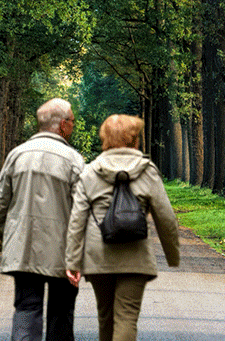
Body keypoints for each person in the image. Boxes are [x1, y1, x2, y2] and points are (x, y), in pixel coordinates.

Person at [63, 114, 180, 341]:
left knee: (105, 317)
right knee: (126, 317)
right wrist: (172, 255)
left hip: (99, 256)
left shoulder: (90, 171)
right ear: (135, 139)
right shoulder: (147, 170)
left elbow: (77, 219)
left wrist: (72, 261)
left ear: (104, 139)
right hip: (135, 255)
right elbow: (165, 217)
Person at [0, 98, 86, 341]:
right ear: (63, 124)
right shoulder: (73, 160)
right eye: (73, 122)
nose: (73, 127)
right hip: (63, 251)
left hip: (23, 248)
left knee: (26, 309)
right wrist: (78, 254)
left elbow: (0, 202)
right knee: (61, 313)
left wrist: (3, 237)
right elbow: (82, 210)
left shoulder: (16, 155)